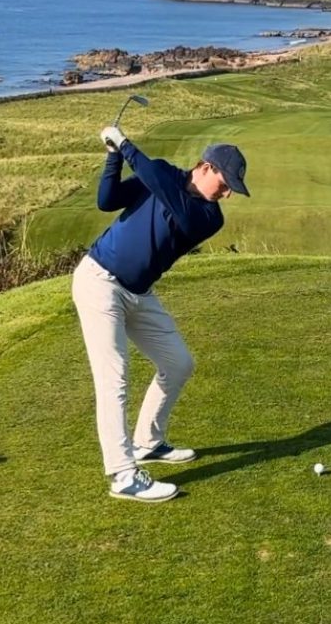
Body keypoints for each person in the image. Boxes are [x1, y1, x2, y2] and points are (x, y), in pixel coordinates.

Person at [72, 123, 250, 502]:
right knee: (114, 379)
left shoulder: (208, 217)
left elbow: (162, 187)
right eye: (225, 182)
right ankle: (122, 475)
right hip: (99, 282)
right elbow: (108, 199)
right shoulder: (164, 175)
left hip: (139, 293)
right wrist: (113, 157)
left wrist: (125, 143)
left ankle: (148, 442)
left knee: (179, 363)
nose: (228, 192)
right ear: (205, 167)